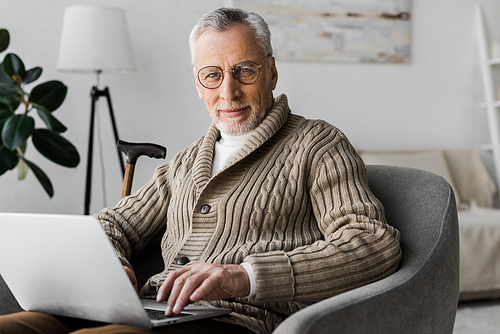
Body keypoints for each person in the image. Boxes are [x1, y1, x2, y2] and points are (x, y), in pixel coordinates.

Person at [0, 7, 401, 334]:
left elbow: (372, 243)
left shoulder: (318, 144)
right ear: (197, 83)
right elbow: (114, 223)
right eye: (212, 75)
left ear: (272, 72)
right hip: (150, 309)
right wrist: (110, 264)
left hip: (235, 321)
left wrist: (244, 276)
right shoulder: (188, 161)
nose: (228, 92)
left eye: (245, 70)